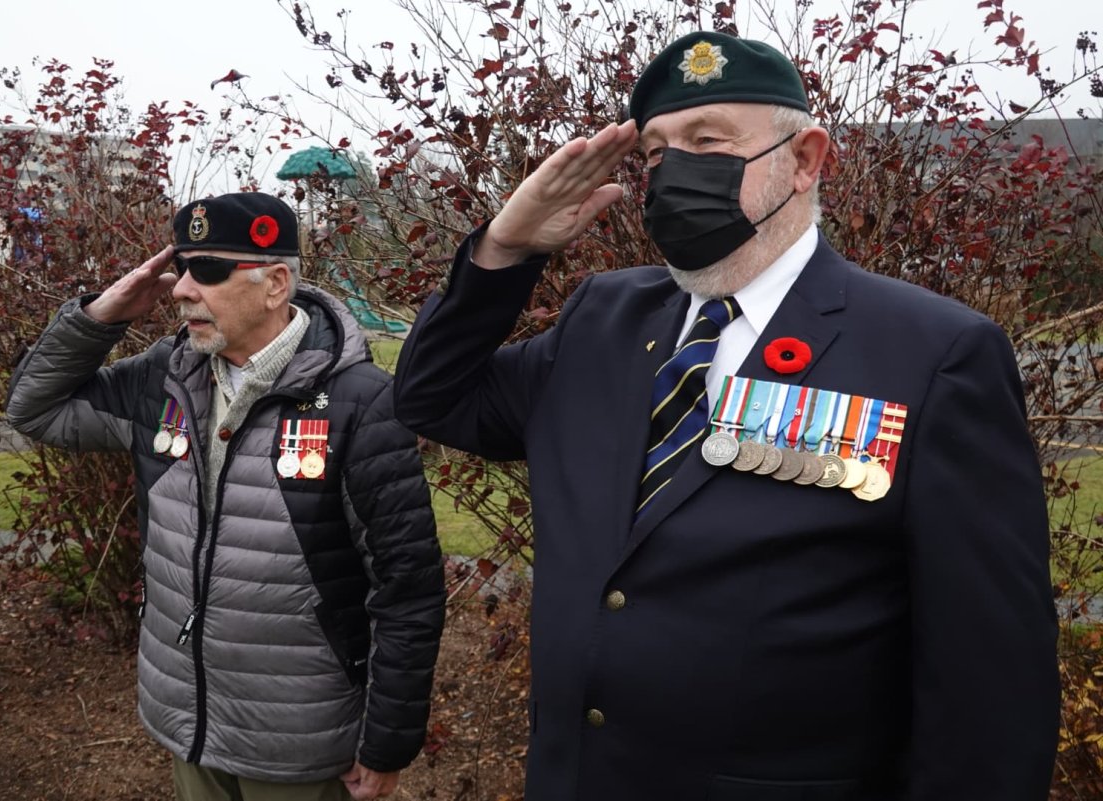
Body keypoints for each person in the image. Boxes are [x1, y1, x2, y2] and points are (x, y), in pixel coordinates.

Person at [393, 30, 1059, 801]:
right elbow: (432, 397)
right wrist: (504, 250)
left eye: (707, 141)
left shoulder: (931, 354)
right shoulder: (604, 317)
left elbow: (989, 679)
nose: (672, 171)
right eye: (654, 152)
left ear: (806, 160)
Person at [7, 192, 446, 801]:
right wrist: (102, 316)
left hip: (300, 743)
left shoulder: (358, 403)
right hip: (189, 724)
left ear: (276, 284)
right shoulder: (167, 378)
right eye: (181, 269)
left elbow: (407, 588)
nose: (183, 289)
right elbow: (34, 409)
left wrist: (387, 741)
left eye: (208, 270)